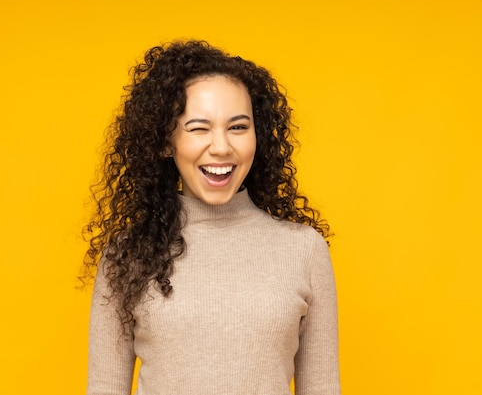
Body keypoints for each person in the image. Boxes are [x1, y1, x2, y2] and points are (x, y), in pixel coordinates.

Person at [82, 40, 340, 395]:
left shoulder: (304, 250)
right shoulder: (126, 255)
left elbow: (322, 388)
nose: (221, 147)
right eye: (198, 128)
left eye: (238, 127)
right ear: (165, 141)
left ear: (257, 136)